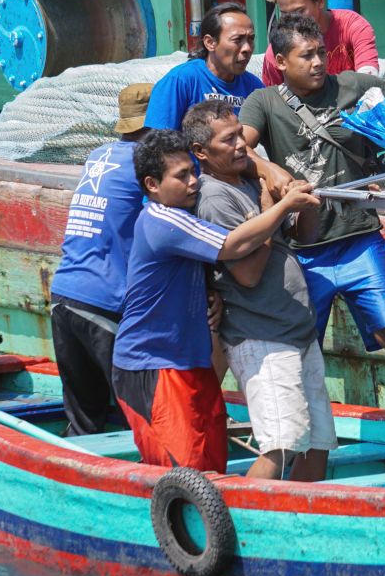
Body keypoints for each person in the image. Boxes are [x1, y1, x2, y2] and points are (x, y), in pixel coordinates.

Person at [238, 14, 385, 469]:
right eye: (307, 56)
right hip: (306, 254)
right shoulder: (263, 102)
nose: (319, 62)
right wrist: (270, 169)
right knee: (303, 352)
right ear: (280, 61)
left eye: (321, 51)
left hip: (360, 240)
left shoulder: (352, 85)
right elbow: (236, 146)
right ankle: (304, 460)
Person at [112, 129, 319, 473]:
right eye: (182, 176)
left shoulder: (184, 213)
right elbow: (233, 247)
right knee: (186, 474)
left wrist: (211, 293)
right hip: (152, 366)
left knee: (212, 469)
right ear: (151, 184)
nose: (194, 182)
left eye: (193, 171)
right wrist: (281, 205)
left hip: (192, 362)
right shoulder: (164, 218)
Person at [186, 100, 335, 481]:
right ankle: (237, 522)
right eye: (228, 140)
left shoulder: (250, 178)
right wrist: (277, 206)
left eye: (240, 135)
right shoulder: (215, 198)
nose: (241, 146)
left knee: (318, 445)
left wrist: (306, 204)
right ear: (201, 153)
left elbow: (305, 236)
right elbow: (247, 274)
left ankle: (299, 524)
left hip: (297, 330)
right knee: (282, 446)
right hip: (262, 336)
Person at [49, 83, 153, 436]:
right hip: (105, 303)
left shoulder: (99, 155)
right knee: (141, 419)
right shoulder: (148, 165)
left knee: (84, 420)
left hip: (64, 294)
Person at [259, 0, 380, 87]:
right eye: (285, 14)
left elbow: (369, 80)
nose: (292, 20)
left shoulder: (353, 26)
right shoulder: (277, 51)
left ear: (320, 1)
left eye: (299, 11)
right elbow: (274, 101)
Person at [143, 1, 264, 131]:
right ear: (210, 42)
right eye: (237, 40)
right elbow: (158, 143)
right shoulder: (180, 81)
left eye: (251, 39)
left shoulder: (254, 87)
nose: (247, 48)